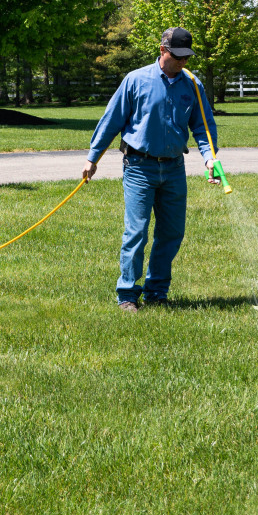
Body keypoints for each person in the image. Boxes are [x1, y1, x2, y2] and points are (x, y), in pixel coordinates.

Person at [81, 27, 218, 312]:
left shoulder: (193, 84)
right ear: (162, 50)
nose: (183, 62)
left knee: (171, 233)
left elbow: (203, 126)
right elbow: (111, 120)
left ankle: (157, 292)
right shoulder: (135, 80)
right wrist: (93, 157)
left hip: (173, 168)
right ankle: (128, 294)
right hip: (138, 167)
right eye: (177, 56)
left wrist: (210, 158)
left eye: (187, 57)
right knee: (137, 232)